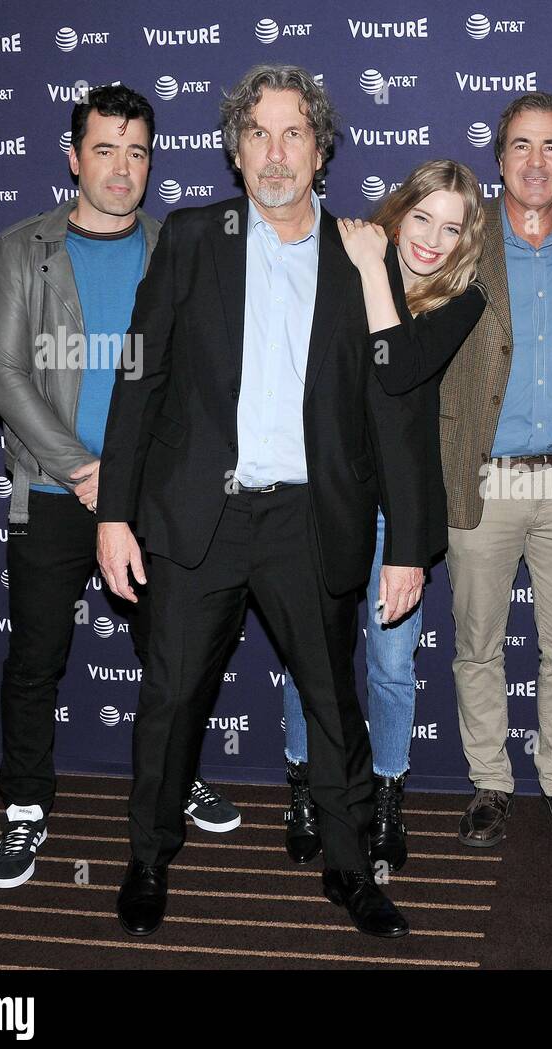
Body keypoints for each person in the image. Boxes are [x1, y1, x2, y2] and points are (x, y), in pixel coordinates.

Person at [96, 64, 433, 939]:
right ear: (233, 150)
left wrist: (408, 544)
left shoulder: (361, 253)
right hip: (194, 517)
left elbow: (395, 410)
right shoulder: (195, 239)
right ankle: (146, 856)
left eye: (294, 134)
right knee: (171, 697)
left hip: (307, 520)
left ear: (321, 150)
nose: (275, 153)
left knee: (331, 700)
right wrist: (113, 514)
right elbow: (139, 380)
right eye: (258, 134)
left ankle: (352, 869)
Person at [0, 84, 239, 891]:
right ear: (73, 157)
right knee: (35, 660)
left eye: (137, 152)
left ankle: (175, 776)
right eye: (105, 150)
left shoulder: (177, 249)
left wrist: (134, 482)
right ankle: (24, 806)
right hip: (54, 494)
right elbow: (6, 376)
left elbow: (198, 380)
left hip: (152, 501)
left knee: (174, 656)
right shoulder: (24, 249)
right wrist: (89, 473)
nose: (122, 168)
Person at [279, 159, 487, 871]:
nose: (432, 239)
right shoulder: (337, 263)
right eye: (422, 218)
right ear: (399, 213)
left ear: (465, 241)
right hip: (319, 499)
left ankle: (388, 796)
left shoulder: (464, 301)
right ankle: (305, 788)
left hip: (397, 515)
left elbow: (396, 370)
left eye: (451, 227)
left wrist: (373, 266)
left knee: (393, 668)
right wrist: (364, 262)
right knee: (314, 659)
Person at [435, 93, 552, 850]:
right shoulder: (459, 242)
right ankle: (489, 781)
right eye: (521, 145)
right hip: (484, 479)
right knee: (477, 643)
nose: (536, 161)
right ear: (499, 159)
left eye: (551, 147)